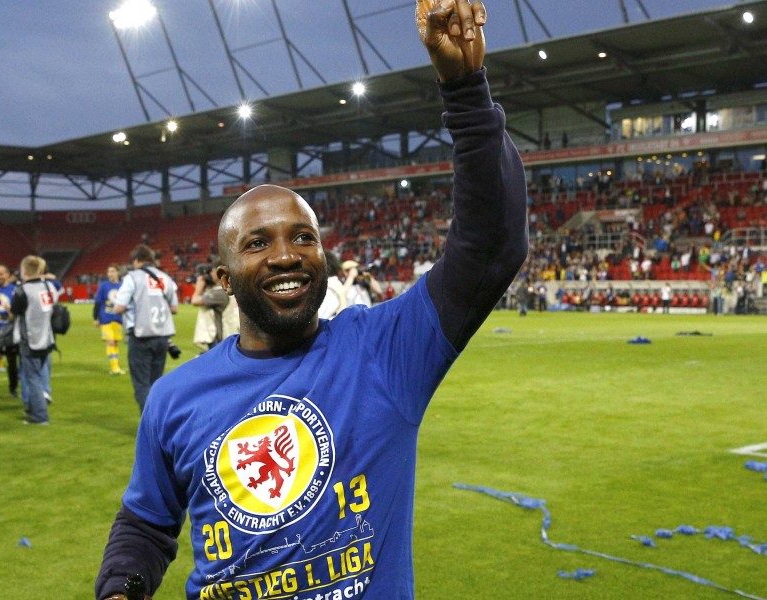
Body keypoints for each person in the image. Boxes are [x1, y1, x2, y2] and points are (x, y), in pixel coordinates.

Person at [95, 2, 528, 598]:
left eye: (304, 237)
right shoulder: (174, 397)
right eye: (258, 243)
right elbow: (145, 523)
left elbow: (492, 245)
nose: (286, 254)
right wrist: (121, 587)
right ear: (223, 278)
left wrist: (466, 93)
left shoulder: (383, 353)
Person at [113, 244, 180, 412]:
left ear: (137, 260)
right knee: (156, 384)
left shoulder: (133, 277)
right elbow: (174, 308)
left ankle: (150, 429)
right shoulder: (165, 277)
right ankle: (160, 426)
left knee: (142, 385)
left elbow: (118, 307)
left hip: (141, 336)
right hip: (162, 337)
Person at [9, 256, 57, 425]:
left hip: (30, 340)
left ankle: (40, 415)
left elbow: (13, 312)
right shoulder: (48, 287)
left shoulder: (23, 290)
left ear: (25, 271)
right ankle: (33, 409)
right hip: (47, 338)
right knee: (38, 374)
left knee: (32, 378)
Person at [191, 264, 239, 353]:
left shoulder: (220, 294)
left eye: (212, 271)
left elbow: (195, 300)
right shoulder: (224, 290)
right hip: (225, 336)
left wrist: (199, 286)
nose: (211, 274)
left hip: (218, 340)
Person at [0, 263, 19, 398]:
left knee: (12, 362)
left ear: (7, 275)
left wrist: (11, 312)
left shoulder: (14, 291)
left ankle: (13, 388)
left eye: (1, 274)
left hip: (9, 331)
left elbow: (18, 313)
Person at [93, 264, 126, 375]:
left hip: (118, 318)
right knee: (110, 342)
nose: (110, 274)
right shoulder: (103, 286)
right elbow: (97, 302)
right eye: (109, 271)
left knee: (116, 343)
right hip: (105, 318)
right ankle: (114, 368)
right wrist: (96, 318)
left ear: (118, 272)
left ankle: (115, 366)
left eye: (112, 271)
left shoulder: (122, 286)